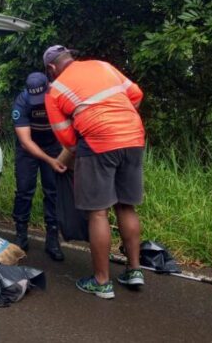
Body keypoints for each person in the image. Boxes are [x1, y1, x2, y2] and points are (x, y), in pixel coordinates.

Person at [42, 45, 146, 300]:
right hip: (134, 137)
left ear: (51, 68)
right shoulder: (102, 65)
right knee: (126, 206)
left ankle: (101, 282)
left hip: (98, 143)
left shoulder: (55, 91)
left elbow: (68, 140)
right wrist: (118, 118)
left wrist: (92, 126)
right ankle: (134, 270)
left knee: (98, 213)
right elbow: (136, 94)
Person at [11, 72, 67, 261]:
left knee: (53, 191)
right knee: (24, 190)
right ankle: (21, 235)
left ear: (49, 86)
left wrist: (61, 156)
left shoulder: (60, 98)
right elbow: (26, 141)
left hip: (54, 146)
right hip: (28, 148)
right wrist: (48, 160)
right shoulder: (22, 102)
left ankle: (52, 238)